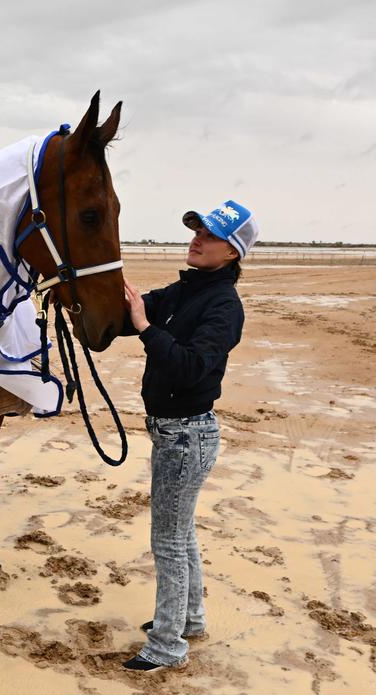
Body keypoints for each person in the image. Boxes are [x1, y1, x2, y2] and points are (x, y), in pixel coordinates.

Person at [120, 200, 259, 671]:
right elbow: (130, 314)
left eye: (210, 236)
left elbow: (190, 366)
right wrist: (107, 297)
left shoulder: (224, 305)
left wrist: (144, 328)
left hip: (187, 435)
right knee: (181, 535)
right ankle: (191, 619)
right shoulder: (183, 291)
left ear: (232, 254)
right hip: (173, 433)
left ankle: (167, 646)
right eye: (196, 230)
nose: (196, 239)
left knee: (169, 542)